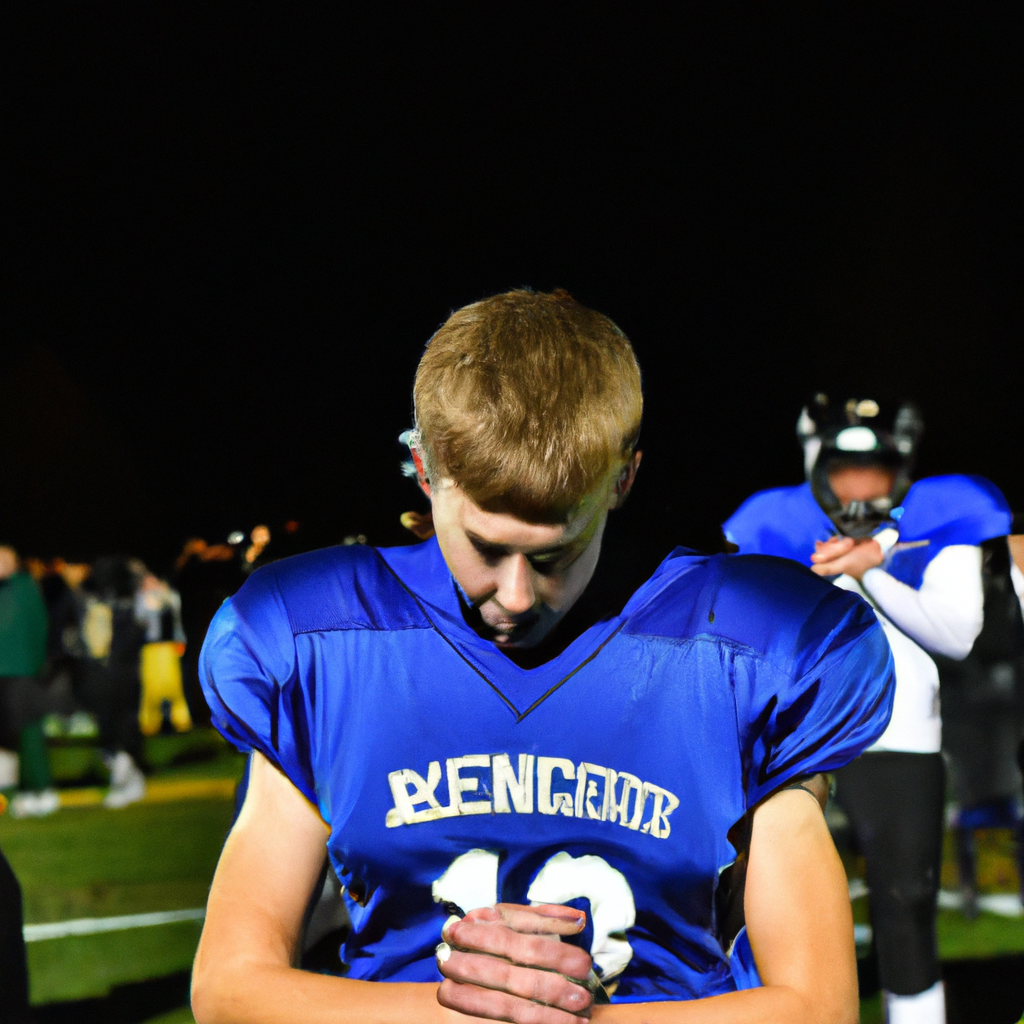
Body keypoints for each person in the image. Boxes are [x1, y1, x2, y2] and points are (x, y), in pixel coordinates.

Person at [193, 290, 894, 1024]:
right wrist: (475, 1016)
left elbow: (818, 1007)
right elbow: (228, 988)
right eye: (488, 548)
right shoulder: (318, 644)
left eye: (557, 552)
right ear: (425, 471)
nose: (518, 596)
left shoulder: (744, 652)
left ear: (622, 479)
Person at [723, 393, 1012, 1024]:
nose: (859, 485)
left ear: (901, 468)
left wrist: (871, 568)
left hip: (901, 737)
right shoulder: (775, 522)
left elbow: (955, 635)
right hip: (798, 743)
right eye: (844, 468)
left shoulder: (940, 519)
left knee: (905, 908)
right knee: (762, 907)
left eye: (875, 470)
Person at [0, 544, 60, 818]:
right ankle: (23, 790)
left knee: (28, 729)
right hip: (6, 672)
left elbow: (39, 626)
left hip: (22, 672)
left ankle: (42, 789)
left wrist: (37, 666)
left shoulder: (24, 587)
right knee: (13, 731)